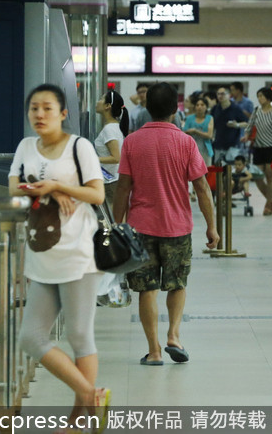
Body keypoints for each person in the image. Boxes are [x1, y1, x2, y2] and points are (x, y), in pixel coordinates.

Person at [9, 84, 110, 426]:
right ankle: (89, 394)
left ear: (63, 113)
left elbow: (96, 194)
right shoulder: (25, 147)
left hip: (79, 252)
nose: (39, 114)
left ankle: (78, 419)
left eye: (47, 108)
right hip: (41, 254)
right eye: (34, 108)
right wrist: (45, 190)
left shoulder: (79, 147)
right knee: (30, 337)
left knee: (80, 335)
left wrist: (56, 186)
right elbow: (14, 187)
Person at [113, 82, 220, 366]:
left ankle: (154, 350)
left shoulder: (132, 141)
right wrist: (212, 227)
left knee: (146, 288)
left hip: (141, 228)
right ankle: (174, 335)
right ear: (176, 109)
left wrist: (117, 225)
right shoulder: (186, 142)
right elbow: (201, 188)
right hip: (177, 227)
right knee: (177, 284)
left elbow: (123, 188)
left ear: (148, 108)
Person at [245, 87, 272, 215]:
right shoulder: (256, 111)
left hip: (271, 148)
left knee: (270, 176)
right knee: (257, 176)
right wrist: (246, 135)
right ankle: (270, 200)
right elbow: (249, 126)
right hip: (258, 147)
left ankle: (268, 205)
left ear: (268, 98)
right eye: (258, 96)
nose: (259, 99)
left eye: (261, 96)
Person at [94, 90, 128, 207]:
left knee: (116, 220)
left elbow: (115, 158)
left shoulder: (110, 129)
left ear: (108, 106)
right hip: (114, 180)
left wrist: (93, 159)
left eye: (101, 99)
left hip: (112, 181)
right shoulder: (115, 127)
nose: (97, 102)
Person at [212, 86, 248, 166]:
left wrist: (237, 125)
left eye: (223, 94)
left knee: (231, 170)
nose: (220, 96)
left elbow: (246, 123)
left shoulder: (235, 108)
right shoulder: (215, 108)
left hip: (232, 145)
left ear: (229, 95)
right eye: (218, 94)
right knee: (218, 170)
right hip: (218, 144)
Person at [183, 96, 214, 167]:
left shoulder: (210, 118)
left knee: (207, 172)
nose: (199, 107)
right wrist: (189, 132)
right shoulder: (189, 118)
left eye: (202, 105)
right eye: (197, 105)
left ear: (206, 107)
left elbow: (209, 135)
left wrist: (195, 131)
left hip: (205, 150)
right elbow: (183, 133)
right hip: (191, 150)